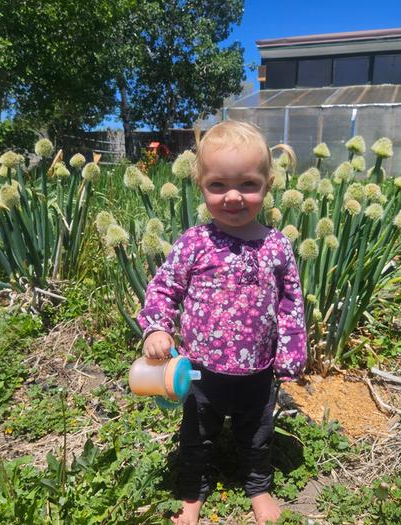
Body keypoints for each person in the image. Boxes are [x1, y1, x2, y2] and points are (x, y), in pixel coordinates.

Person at [137, 120, 307, 525]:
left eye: (247, 184)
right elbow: (164, 287)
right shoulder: (194, 242)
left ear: (268, 185)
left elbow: (290, 303)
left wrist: (292, 351)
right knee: (196, 434)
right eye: (218, 185)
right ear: (201, 186)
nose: (233, 196)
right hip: (200, 369)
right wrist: (158, 327)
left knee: (257, 434)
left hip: (259, 369)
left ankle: (258, 486)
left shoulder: (277, 245)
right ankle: (191, 491)